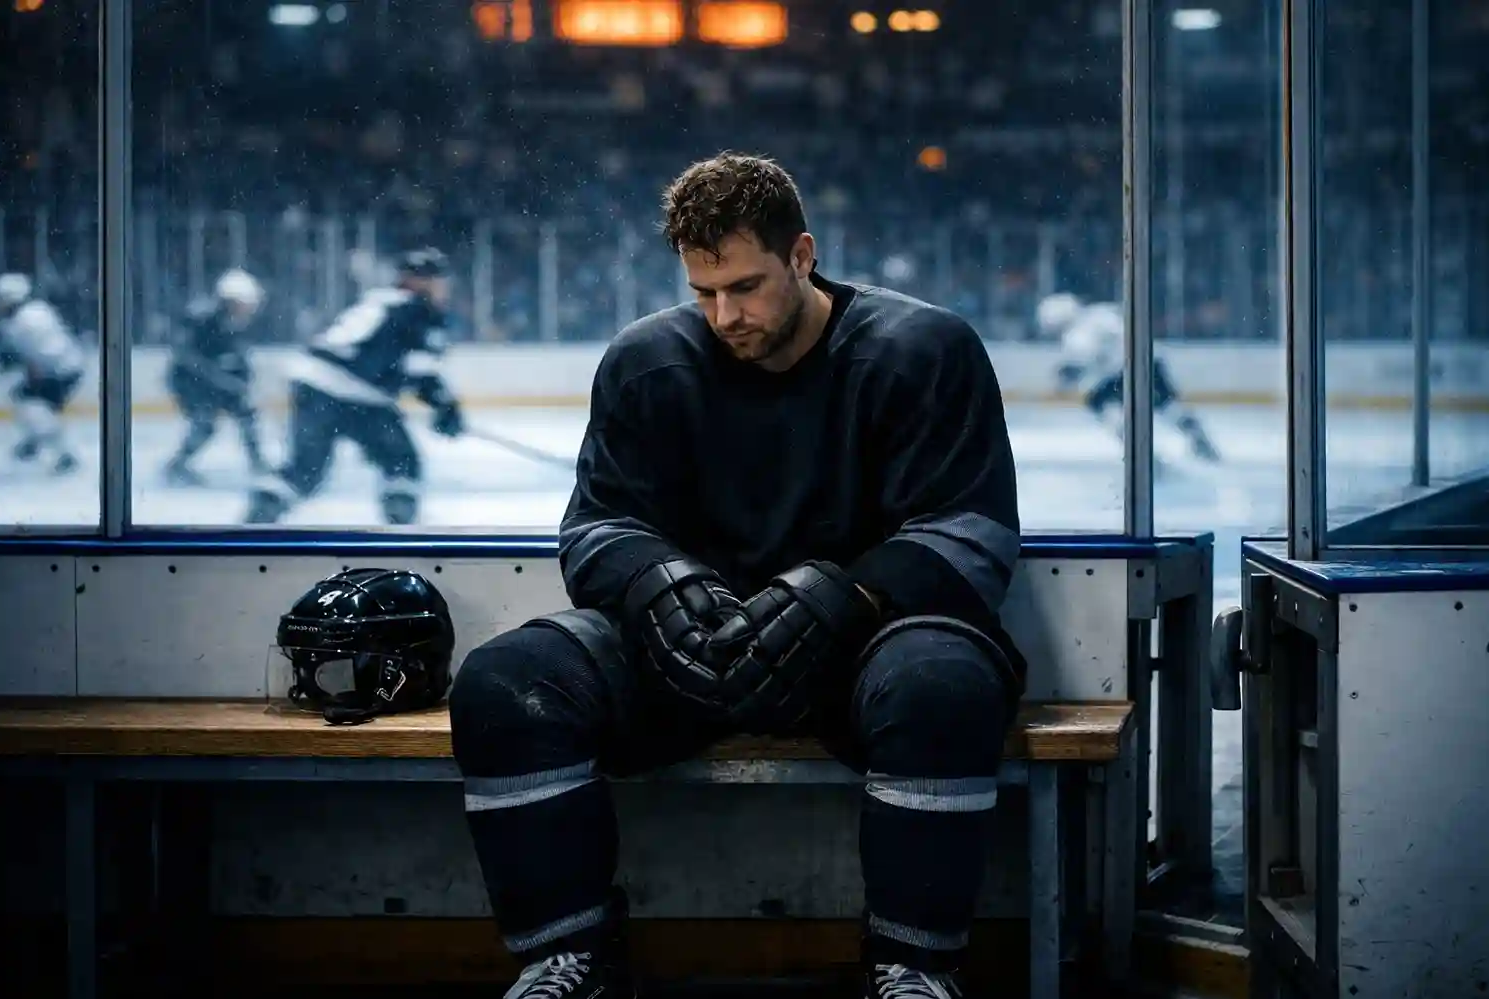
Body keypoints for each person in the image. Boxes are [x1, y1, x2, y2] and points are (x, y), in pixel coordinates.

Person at [448, 153, 1028, 999]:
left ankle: (910, 964)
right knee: (504, 684)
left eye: (747, 286)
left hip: (864, 652)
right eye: (703, 292)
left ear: (802, 254)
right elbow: (596, 524)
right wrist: (653, 579)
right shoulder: (645, 361)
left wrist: (852, 592)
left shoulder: (922, 349)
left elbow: (969, 530)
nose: (725, 315)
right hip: (689, 651)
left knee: (941, 686)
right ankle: (567, 956)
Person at [243, 247, 465, 526]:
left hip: (313, 384)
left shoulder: (377, 301)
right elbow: (419, 367)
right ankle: (402, 529)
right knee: (402, 460)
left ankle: (259, 518)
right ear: (421, 281)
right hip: (358, 394)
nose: (443, 288)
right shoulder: (419, 310)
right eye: (439, 280)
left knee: (306, 469)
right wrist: (443, 404)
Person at [1037, 292, 1221, 462]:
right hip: (1149, 359)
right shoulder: (1101, 311)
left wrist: (1065, 377)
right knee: (1166, 403)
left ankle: (1137, 449)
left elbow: (1083, 359)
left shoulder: (1075, 335)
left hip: (1120, 372)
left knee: (1099, 402)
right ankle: (1196, 435)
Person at [163, 268, 268, 486]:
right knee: (204, 423)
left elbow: (239, 359)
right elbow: (185, 355)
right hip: (191, 382)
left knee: (247, 414)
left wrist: (241, 379)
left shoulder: (239, 325)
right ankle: (176, 466)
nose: (250, 310)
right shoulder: (200, 319)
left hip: (222, 382)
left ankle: (259, 465)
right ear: (230, 301)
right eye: (246, 304)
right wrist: (215, 373)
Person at [0, 272, 86, 475]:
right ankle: (39, 441)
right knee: (33, 405)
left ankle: (59, 451)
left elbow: (42, 353)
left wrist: (31, 367)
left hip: (59, 371)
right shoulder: (33, 313)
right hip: (63, 368)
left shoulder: (25, 320)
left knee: (33, 407)